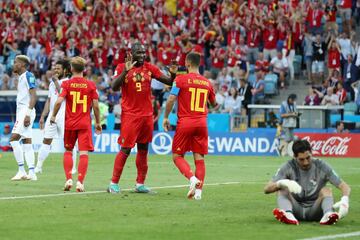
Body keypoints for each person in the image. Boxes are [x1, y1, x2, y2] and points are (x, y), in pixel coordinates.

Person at [107, 42, 177, 194]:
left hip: (147, 115)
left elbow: (170, 82)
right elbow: (113, 87)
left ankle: (140, 183)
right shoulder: (121, 67)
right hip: (130, 115)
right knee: (125, 149)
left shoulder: (150, 68)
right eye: (139, 53)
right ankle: (113, 183)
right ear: (131, 53)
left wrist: (173, 73)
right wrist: (125, 71)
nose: (142, 55)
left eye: (144, 52)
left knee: (144, 149)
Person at [163, 52, 217, 200]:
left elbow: (171, 99)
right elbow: (214, 104)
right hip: (201, 123)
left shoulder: (180, 80)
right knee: (199, 158)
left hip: (186, 122)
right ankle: (198, 194)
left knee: (177, 156)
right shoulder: (207, 83)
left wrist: (166, 117)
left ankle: (192, 179)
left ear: (187, 63)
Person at [264, 139, 351, 225]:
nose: (306, 162)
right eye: (301, 159)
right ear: (294, 156)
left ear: (311, 153)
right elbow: (266, 189)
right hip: (295, 209)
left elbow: (344, 186)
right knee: (282, 188)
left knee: (326, 190)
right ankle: (288, 215)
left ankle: (328, 215)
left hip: (316, 210)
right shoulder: (288, 166)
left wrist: (345, 200)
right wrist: (282, 183)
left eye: (308, 158)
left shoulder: (321, 165)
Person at [50, 56, 102, 192]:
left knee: (68, 151)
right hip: (84, 124)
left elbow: (58, 102)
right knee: (83, 153)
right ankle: (80, 182)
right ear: (84, 69)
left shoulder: (66, 84)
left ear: (71, 69)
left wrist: (53, 116)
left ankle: (68, 179)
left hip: (70, 124)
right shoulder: (91, 85)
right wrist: (97, 122)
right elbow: (96, 106)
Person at [36, 59, 77, 174]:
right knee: (46, 140)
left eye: (58, 68)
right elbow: (49, 101)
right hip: (52, 116)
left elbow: (63, 95)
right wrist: (43, 116)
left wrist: (55, 82)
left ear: (65, 70)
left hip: (64, 115)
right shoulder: (52, 83)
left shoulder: (69, 82)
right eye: (55, 68)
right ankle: (38, 167)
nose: (55, 70)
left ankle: (73, 168)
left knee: (69, 142)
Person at [9, 55, 37, 181]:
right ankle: (31, 172)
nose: (13, 64)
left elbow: (34, 96)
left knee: (14, 139)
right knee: (27, 141)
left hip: (26, 111)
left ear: (22, 65)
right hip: (23, 111)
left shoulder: (28, 75)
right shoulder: (21, 77)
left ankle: (21, 170)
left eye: (16, 62)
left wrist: (28, 113)